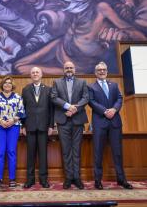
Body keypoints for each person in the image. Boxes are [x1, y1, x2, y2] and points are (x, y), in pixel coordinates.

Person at [88, 61, 133, 190]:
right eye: (99, 70)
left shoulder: (114, 85)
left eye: (104, 69)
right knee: (98, 152)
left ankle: (121, 179)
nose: (102, 72)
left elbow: (119, 98)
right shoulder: (91, 87)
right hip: (99, 122)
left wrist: (114, 109)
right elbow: (91, 101)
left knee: (117, 152)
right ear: (95, 73)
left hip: (115, 122)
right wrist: (105, 111)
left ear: (107, 71)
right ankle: (98, 180)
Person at [51, 61, 89, 190]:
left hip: (78, 120)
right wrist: (68, 106)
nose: (69, 69)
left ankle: (77, 178)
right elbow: (54, 98)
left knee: (76, 150)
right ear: (63, 69)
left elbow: (86, 98)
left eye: (71, 67)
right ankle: (68, 178)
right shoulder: (57, 82)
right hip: (63, 121)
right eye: (66, 68)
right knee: (66, 150)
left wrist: (75, 109)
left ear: (75, 69)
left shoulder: (82, 82)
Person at [0, 76, 25, 188]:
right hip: (0, 127)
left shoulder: (18, 97)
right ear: (2, 85)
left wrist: (12, 120)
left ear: (12, 85)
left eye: (9, 83)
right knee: (0, 152)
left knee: (11, 151)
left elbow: (21, 112)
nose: (7, 85)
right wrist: (1, 121)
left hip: (13, 127)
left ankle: (12, 179)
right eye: (5, 83)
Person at [22, 67, 54, 189]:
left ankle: (43, 180)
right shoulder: (25, 90)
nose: (35, 74)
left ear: (41, 75)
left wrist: (51, 125)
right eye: (33, 73)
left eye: (37, 72)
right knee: (30, 155)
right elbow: (23, 109)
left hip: (44, 127)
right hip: (29, 127)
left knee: (43, 155)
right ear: (31, 75)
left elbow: (51, 109)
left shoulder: (48, 90)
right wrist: (23, 125)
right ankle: (29, 180)